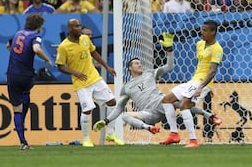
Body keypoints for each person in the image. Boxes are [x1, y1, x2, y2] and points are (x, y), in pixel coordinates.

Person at [92, 33, 222, 135]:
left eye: (140, 62)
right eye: (136, 63)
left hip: (161, 103)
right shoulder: (126, 88)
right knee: (124, 116)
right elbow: (119, 108)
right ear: (130, 68)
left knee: (178, 101)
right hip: (149, 114)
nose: (140, 64)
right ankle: (148, 128)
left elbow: (170, 67)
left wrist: (169, 50)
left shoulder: (150, 73)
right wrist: (106, 120)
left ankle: (209, 116)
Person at [55, 18, 124, 147]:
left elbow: (94, 53)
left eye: (79, 25)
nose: (79, 28)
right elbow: (60, 66)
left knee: (112, 102)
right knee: (87, 110)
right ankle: (86, 139)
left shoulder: (85, 39)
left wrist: (107, 67)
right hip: (81, 83)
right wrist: (75, 73)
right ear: (70, 28)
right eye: (76, 26)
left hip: (95, 78)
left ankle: (110, 132)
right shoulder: (63, 46)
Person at [160, 20, 223, 148]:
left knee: (184, 105)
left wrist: (202, 87)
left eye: (205, 30)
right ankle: (174, 134)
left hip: (201, 83)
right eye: (202, 29)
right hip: (193, 80)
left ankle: (193, 141)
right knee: (166, 100)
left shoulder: (217, 49)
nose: (202, 32)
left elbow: (212, 71)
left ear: (213, 32)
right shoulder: (199, 44)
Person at [6, 14, 52, 150]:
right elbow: (36, 49)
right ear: (39, 26)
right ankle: (23, 124)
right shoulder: (35, 36)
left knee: (17, 108)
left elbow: (8, 46)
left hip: (12, 74)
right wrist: (47, 60)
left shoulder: (17, 34)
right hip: (26, 75)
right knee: (25, 94)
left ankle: (23, 142)